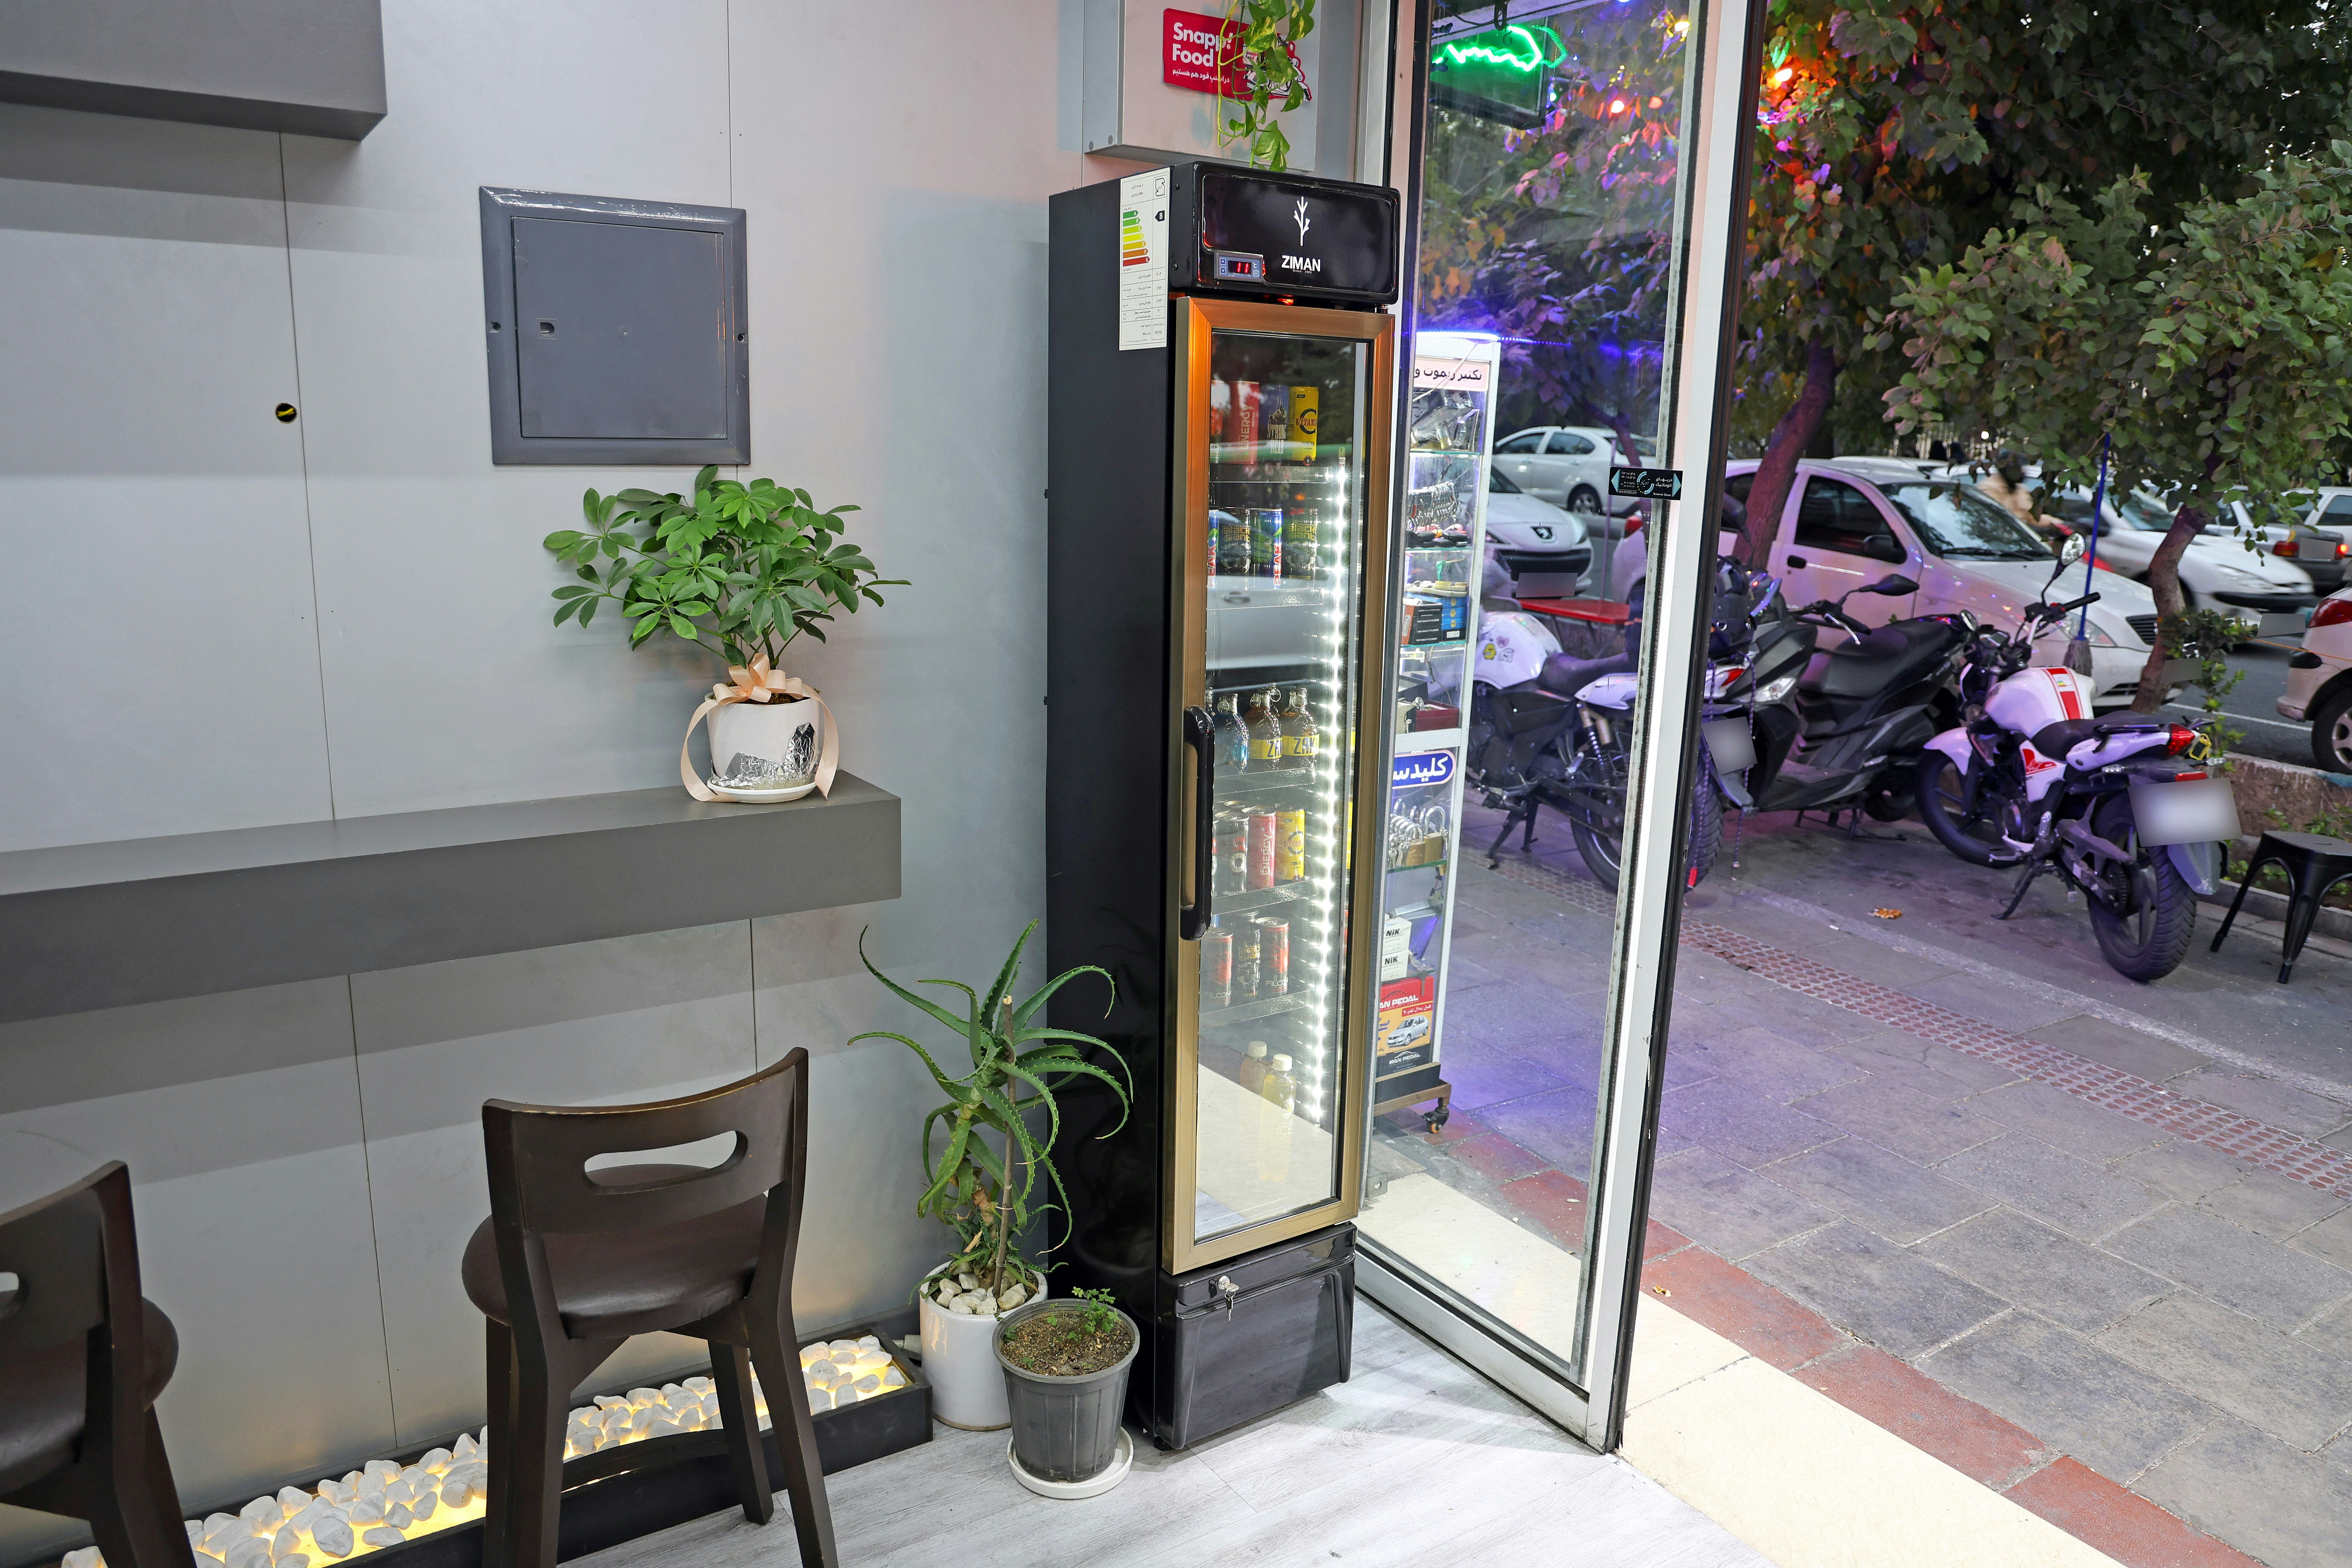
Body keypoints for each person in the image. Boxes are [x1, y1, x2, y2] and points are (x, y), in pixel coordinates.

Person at [1978, 450, 2067, 544]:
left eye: (2022, 468)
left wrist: (2060, 525)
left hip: (2018, 541)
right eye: (2018, 469)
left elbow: (2032, 517)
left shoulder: (2020, 489)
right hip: (1995, 543)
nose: (2023, 472)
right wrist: (2030, 529)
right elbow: (1999, 522)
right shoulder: (1989, 489)